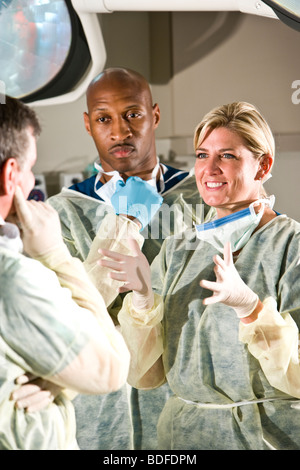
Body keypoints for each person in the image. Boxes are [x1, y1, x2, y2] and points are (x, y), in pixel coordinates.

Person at [101, 101, 300, 450]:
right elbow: (147, 375)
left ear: (263, 165)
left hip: (269, 438)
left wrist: (252, 309)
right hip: (184, 438)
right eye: (201, 155)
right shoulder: (179, 250)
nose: (209, 169)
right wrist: (143, 300)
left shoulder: (291, 247)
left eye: (227, 156)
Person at [44, 67, 214, 450]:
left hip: (184, 411)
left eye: (132, 114)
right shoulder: (63, 212)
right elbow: (72, 313)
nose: (119, 131)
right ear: (88, 124)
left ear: (154, 115)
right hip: (96, 419)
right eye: (104, 118)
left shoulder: (201, 199)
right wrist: (126, 222)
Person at [0, 95, 130, 450]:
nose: (120, 131)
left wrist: (59, 374)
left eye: (132, 114)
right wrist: (55, 256)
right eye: (29, 170)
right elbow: (112, 366)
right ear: (11, 175)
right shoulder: (15, 275)